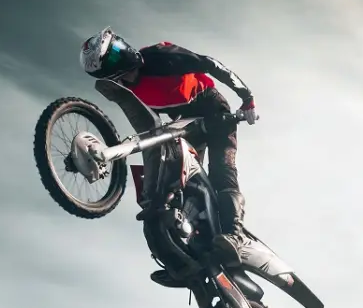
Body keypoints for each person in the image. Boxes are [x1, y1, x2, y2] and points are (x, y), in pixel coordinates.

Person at [79, 27, 258, 266]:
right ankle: (186, 250)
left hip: (213, 109)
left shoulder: (159, 57)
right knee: (182, 180)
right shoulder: (126, 90)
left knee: (222, 172)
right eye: (113, 55)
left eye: (119, 46)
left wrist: (247, 98)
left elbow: (210, 64)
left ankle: (234, 236)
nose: (123, 52)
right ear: (106, 71)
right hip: (185, 122)